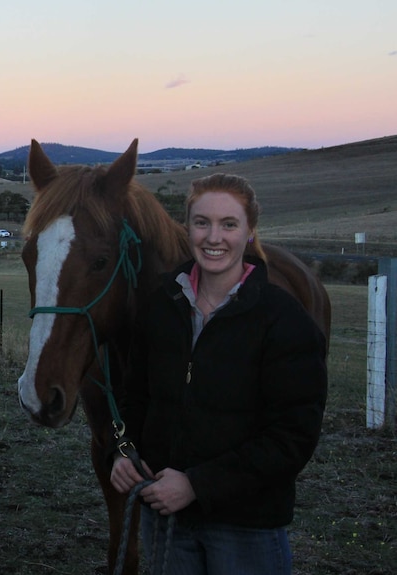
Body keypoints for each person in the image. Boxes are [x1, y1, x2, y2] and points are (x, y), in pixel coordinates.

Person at [110, 173, 328, 574]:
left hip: (245, 528)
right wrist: (127, 452)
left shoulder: (284, 320)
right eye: (201, 222)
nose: (214, 237)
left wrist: (196, 485)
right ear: (187, 228)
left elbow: (293, 436)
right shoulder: (161, 307)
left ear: (249, 233)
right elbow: (136, 396)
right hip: (165, 520)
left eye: (229, 224)